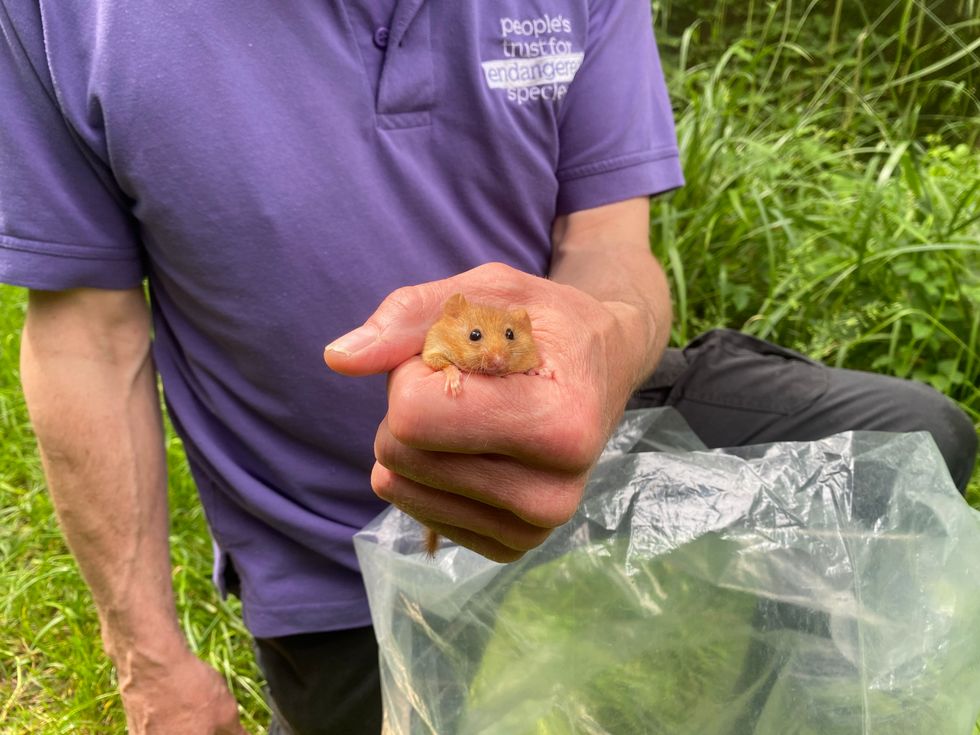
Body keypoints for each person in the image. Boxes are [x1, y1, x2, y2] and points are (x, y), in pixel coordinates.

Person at [1, 2, 974, 734]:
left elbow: (611, 256)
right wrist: (149, 658)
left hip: (597, 420)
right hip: (337, 542)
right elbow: (83, 333)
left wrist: (591, 343)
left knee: (910, 439)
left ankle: (753, 698)